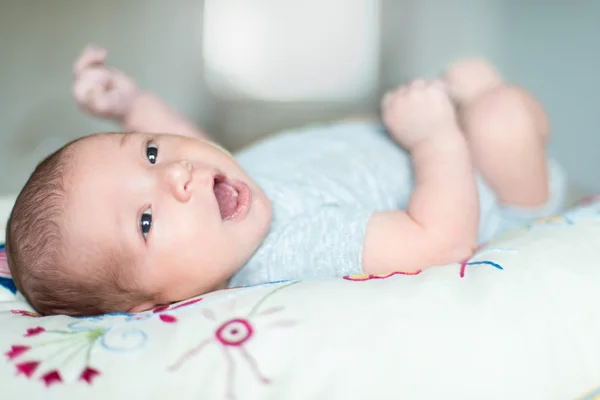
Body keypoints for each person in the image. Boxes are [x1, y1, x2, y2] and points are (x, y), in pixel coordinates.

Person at [4, 46, 565, 316]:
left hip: (414, 139)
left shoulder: (224, 206)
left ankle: (475, 102)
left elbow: (186, 143)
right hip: (485, 188)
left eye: (150, 154)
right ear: (155, 306)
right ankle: (515, 144)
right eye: (145, 222)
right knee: (503, 114)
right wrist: (435, 136)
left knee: (468, 72)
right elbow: (442, 239)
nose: (175, 172)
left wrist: (132, 106)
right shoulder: (286, 250)